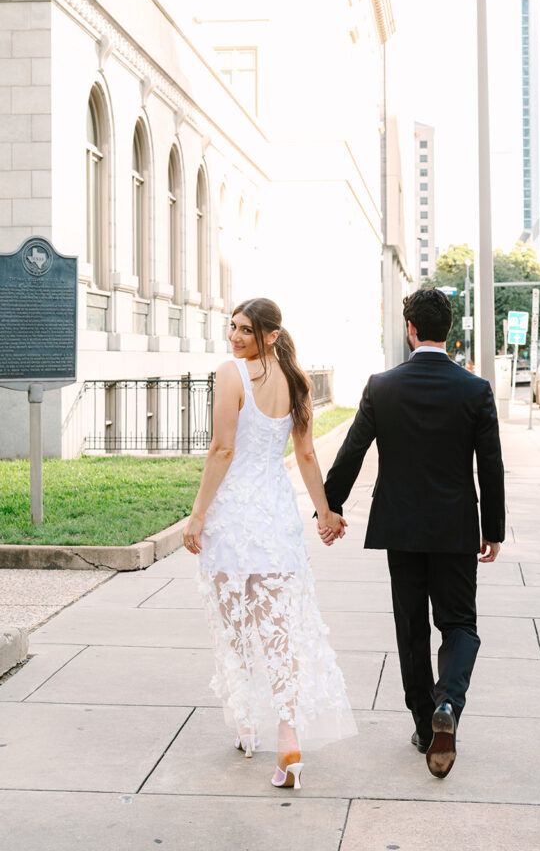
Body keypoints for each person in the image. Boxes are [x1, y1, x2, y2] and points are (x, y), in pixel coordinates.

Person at [320, 288, 505, 779]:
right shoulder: (475, 390)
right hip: (457, 528)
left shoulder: (382, 386)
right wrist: (495, 530)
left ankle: (426, 726)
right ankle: (450, 704)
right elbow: (492, 467)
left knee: (411, 628)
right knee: (460, 624)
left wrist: (328, 507)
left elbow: (352, 452)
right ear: (450, 330)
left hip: (400, 528)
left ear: (410, 329)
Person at [183, 297, 356, 791]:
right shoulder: (297, 380)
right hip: (276, 516)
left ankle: (249, 725)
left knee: (236, 623)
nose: (234, 337)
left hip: (235, 515)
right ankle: (287, 738)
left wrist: (196, 516)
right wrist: (322, 512)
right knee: (276, 629)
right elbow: (303, 454)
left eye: (245, 330)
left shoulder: (230, 373)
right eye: (232, 327)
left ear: (271, 335)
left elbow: (222, 448)